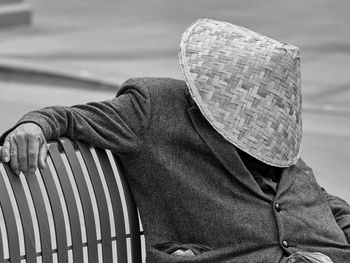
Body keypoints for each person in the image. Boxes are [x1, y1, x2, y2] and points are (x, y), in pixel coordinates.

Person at [0, 19, 349, 263]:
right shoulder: (155, 107)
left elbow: (310, 196)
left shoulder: (272, 133)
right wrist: (34, 125)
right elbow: (72, 118)